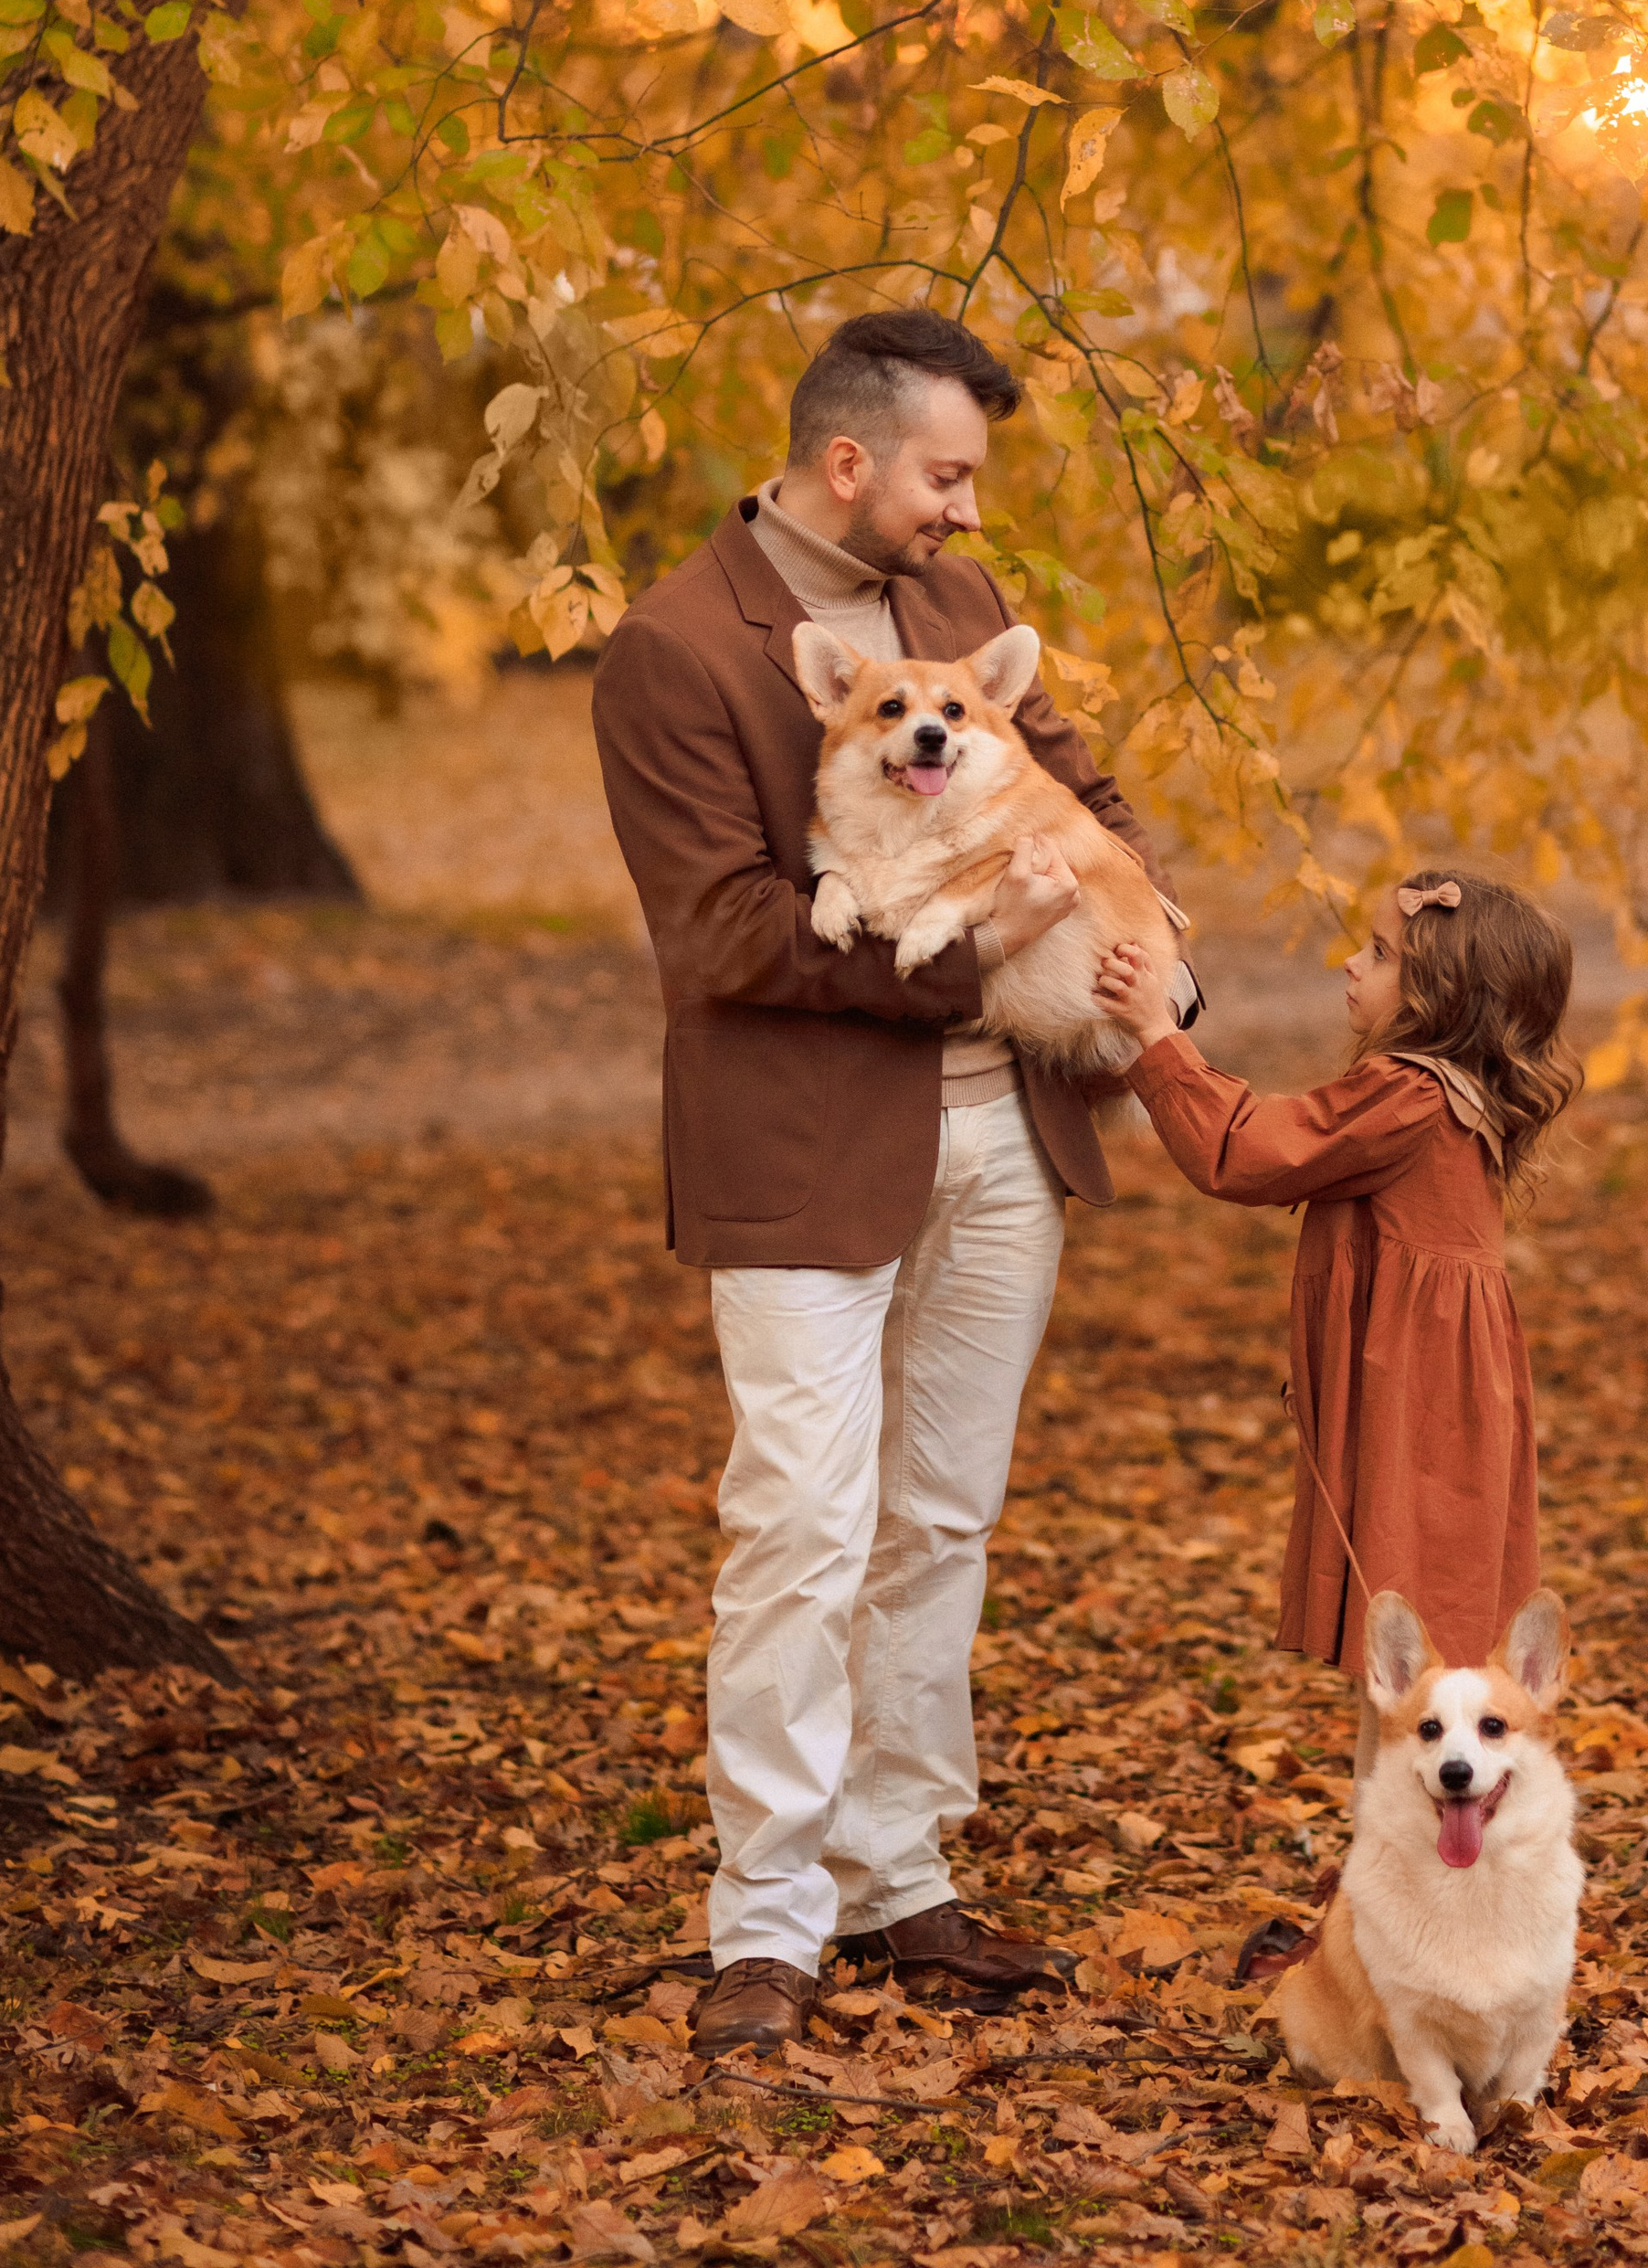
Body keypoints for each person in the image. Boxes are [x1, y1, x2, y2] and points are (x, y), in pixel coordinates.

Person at [591, 308, 1190, 2063]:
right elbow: (723, 938)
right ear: (848, 459)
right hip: (802, 1142)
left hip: (1003, 1129)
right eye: (948, 472)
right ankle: (765, 1920)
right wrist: (980, 938)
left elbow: (1090, 793)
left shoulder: (949, 619)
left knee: (943, 1516)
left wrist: (1153, 948)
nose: (965, 509)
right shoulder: (679, 651)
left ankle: (898, 1868)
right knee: (798, 1526)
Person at [1092, 874, 1576, 1767]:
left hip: (1419, 1416)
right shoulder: (1444, 1094)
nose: (1351, 964)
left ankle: (1417, 1872)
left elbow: (1244, 1151)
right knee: (1415, 1644)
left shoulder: (1408, 1093)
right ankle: (1388, 1869)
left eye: (1382, 954)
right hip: (1441, 1408)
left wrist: (1153, 1035)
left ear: (1440, 998)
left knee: (1416, 1645)